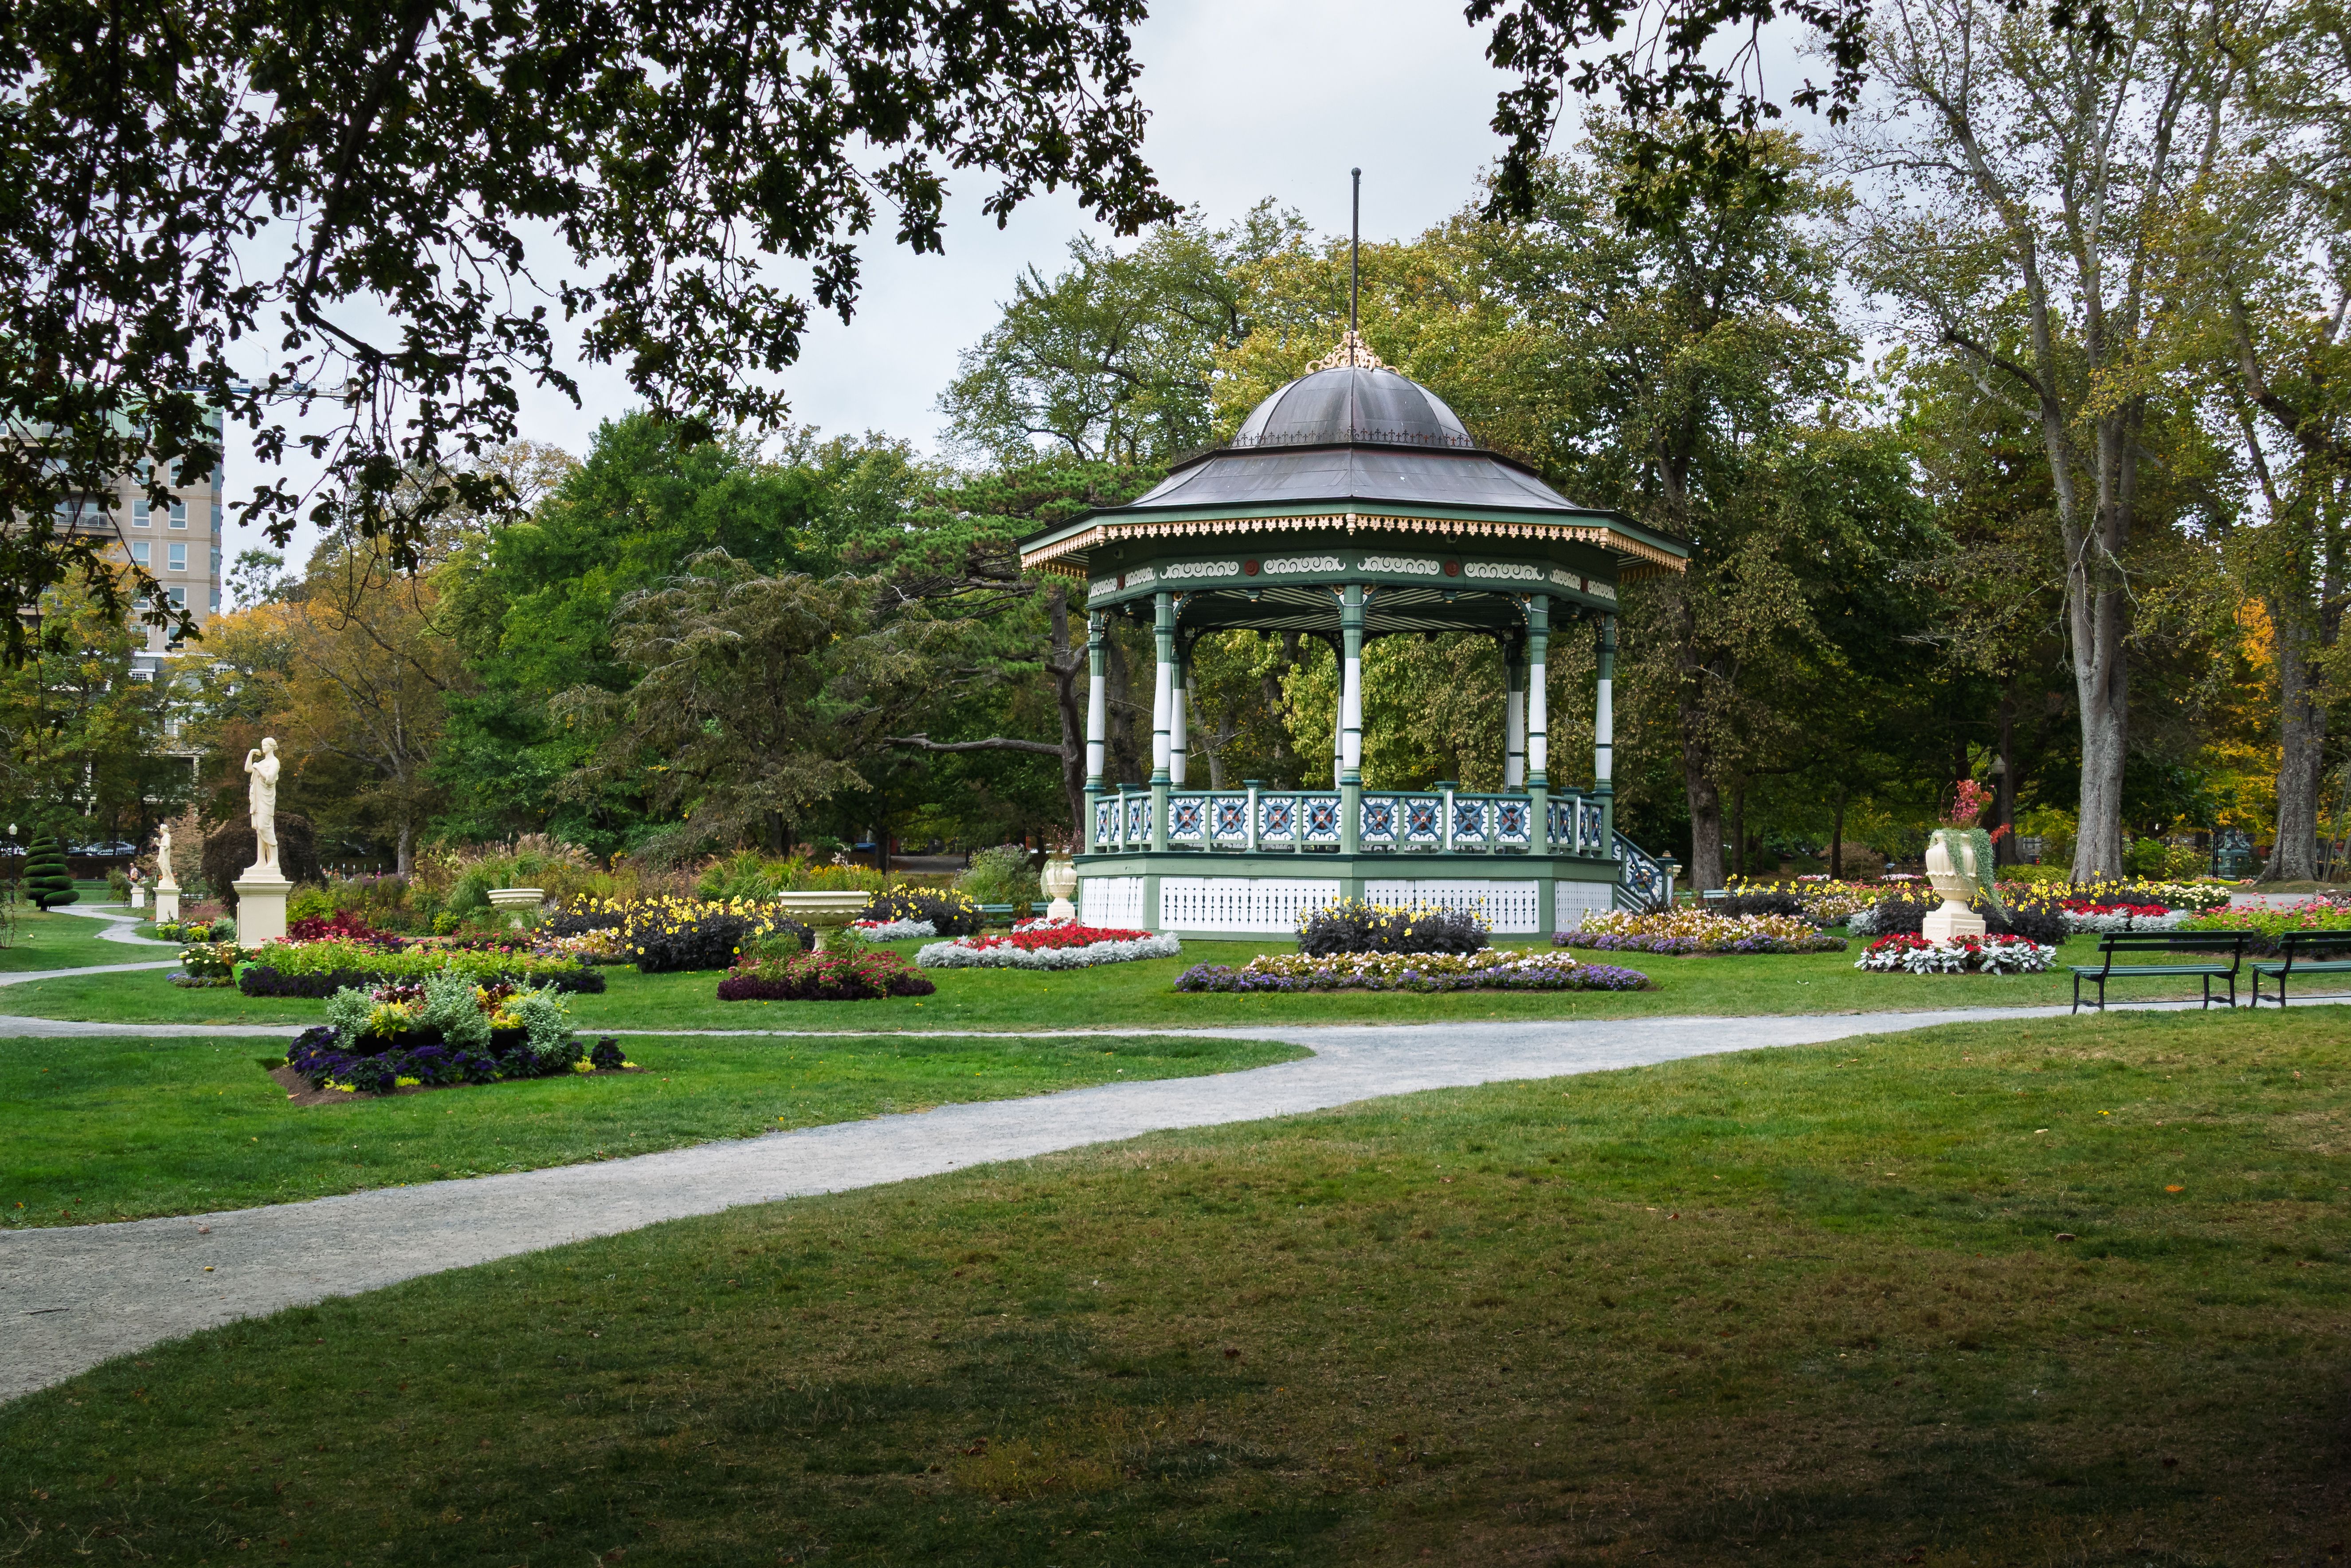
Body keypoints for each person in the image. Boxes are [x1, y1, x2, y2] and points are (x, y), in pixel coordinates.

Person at [245, 737, 282, 873]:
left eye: (265, 745)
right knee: (259, 829)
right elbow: (248, 769)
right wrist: (251, 753)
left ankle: (275, 861)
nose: (263, 748)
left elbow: (270, 779)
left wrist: (258, 767)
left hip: (266, 800)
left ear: (271, 747)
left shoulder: (274, 762)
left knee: (265, 827)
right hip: (258, 799)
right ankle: (261, 861)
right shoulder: (262, 762)